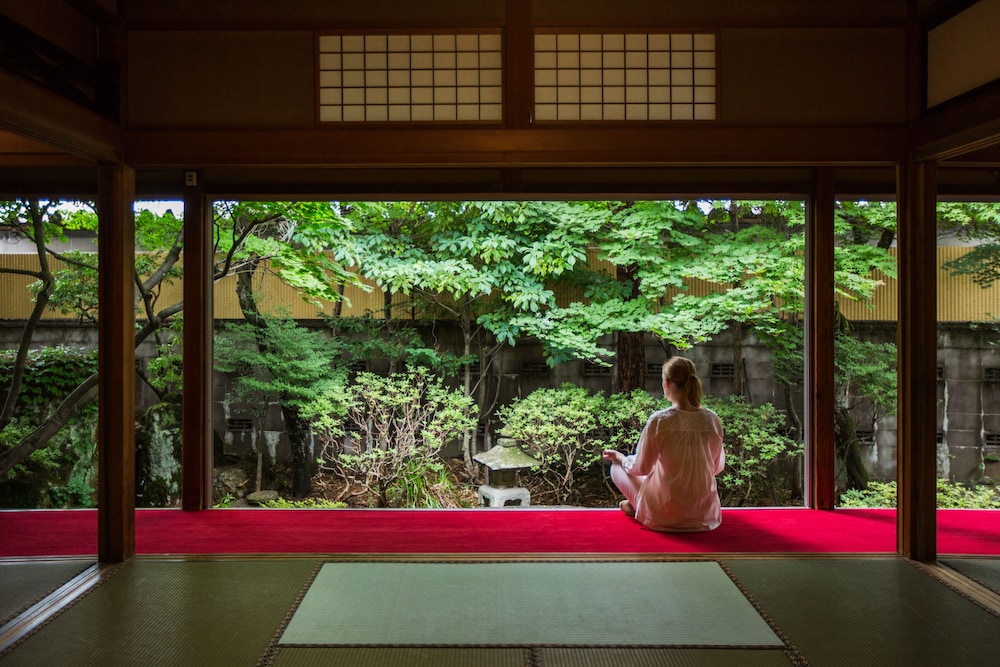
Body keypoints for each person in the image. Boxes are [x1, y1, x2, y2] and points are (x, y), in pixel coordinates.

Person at [601, 356, 725, 531]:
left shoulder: (660, 420)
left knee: (616, 467)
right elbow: (716, 467)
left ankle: (641, 507)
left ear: (667, 383)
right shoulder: (712, 420)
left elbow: (641, 468)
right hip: (702, 515)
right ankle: (637, 505)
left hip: (665, 515)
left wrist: (620, 458)